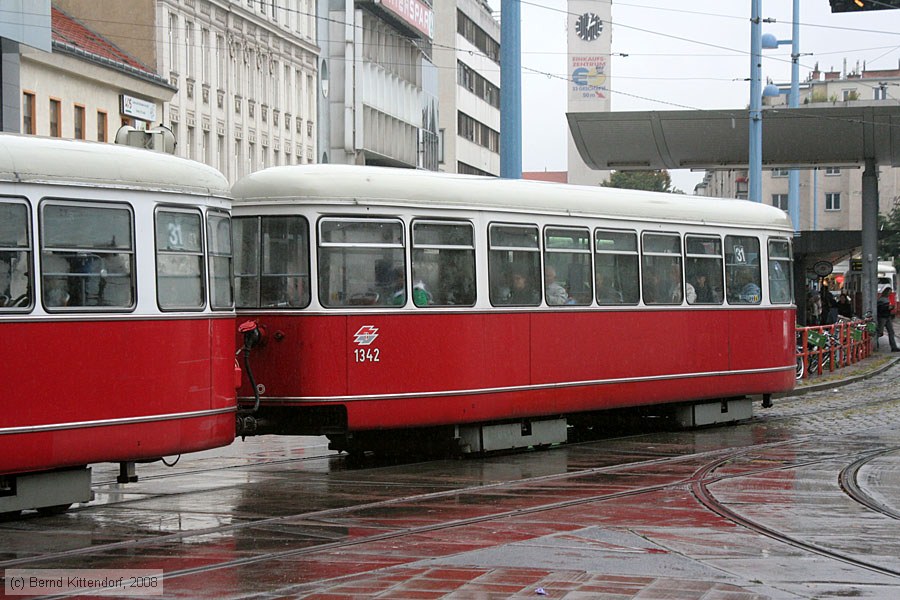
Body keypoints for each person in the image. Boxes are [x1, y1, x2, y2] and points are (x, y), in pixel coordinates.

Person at [876, 287, 899, 352]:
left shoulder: (884, 299)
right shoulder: (882, 299)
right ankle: (874, 345)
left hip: (886, 317)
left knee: (891, 332)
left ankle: (894, 347)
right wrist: (889, 307)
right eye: (889, 292)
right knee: (880, 332)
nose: (890, 293)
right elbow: (882, 309)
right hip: (882, 317)